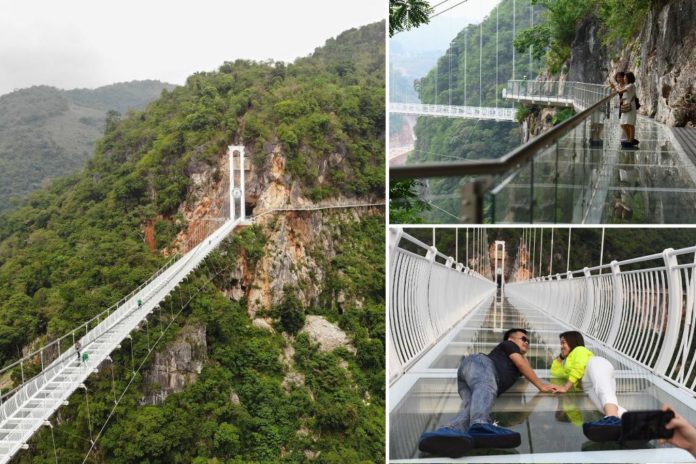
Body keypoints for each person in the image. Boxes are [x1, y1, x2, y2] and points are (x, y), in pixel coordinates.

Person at [418, 328, 557, 458]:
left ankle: (446, 433)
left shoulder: (519, 356)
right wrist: (541, 386)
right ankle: (481, 426)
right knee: (485, 390)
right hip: (480, 365)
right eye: (523, 339)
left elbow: (525, 368)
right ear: (511, 340)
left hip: (470, 375)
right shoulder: (508, 345)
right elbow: (521, 365)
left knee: (472, 408)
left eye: (528, 341)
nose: (527, 342)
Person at [550, 331, 627, 442]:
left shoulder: (579, 350)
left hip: (595, 366)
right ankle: (635, 424)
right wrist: (561, 357)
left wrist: (566, 387)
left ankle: (611, 420)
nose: (561, 346)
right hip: (587, 385)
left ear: (572, 342)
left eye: (563, 343)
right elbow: (555, 372)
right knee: (603, 406)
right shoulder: (568, 363)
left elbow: (579, 366)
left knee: (605, 395)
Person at [609, 71, 639, 148]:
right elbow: (621, 90)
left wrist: (614, 87)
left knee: (630, 124)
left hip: (630, 107)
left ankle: (631, 139)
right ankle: (629, 138)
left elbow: (620, 91)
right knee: (623, 124)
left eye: (625, 77)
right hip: (626, 107)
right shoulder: (627, 85)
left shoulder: (631, 86)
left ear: (629, 78)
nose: (624, 79)